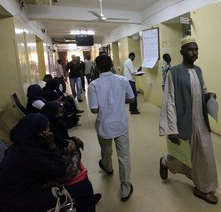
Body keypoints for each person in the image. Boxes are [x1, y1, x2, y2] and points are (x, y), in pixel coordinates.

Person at [159, 37, 219, 204]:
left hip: (201, 121)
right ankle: (164, 162)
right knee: (181, 156)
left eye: (196, 49)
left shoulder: (198, 70)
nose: (195, 53)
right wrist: (172, 129)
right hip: (184, 122)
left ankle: (203, 188)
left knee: (205, 155)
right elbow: (169, 100)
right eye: (191, 49)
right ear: (182, 52)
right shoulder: (174, 72)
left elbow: (202, 90)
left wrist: (209, 96)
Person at [0, 113, 96, 211]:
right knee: (84, 187)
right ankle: (85, 200)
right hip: (23, 202)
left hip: (15, 195)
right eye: (47, 128)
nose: (50, 131)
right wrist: (52, 144)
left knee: (78, 184)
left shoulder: (21, 145)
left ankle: (84, 200)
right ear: (40, 133)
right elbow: (60, 169)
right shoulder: (29, 155)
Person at [88, 55, 135, 202]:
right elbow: (132, 99)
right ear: (112, 65)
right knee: (124, 156)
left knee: (106, 150)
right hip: (120, 124)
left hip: (104, 126)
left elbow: (94, 110)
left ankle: (108, 167)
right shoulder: (123, 80)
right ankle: (125, 188)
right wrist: (120, 101)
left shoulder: (93, 85)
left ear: (97, 67)